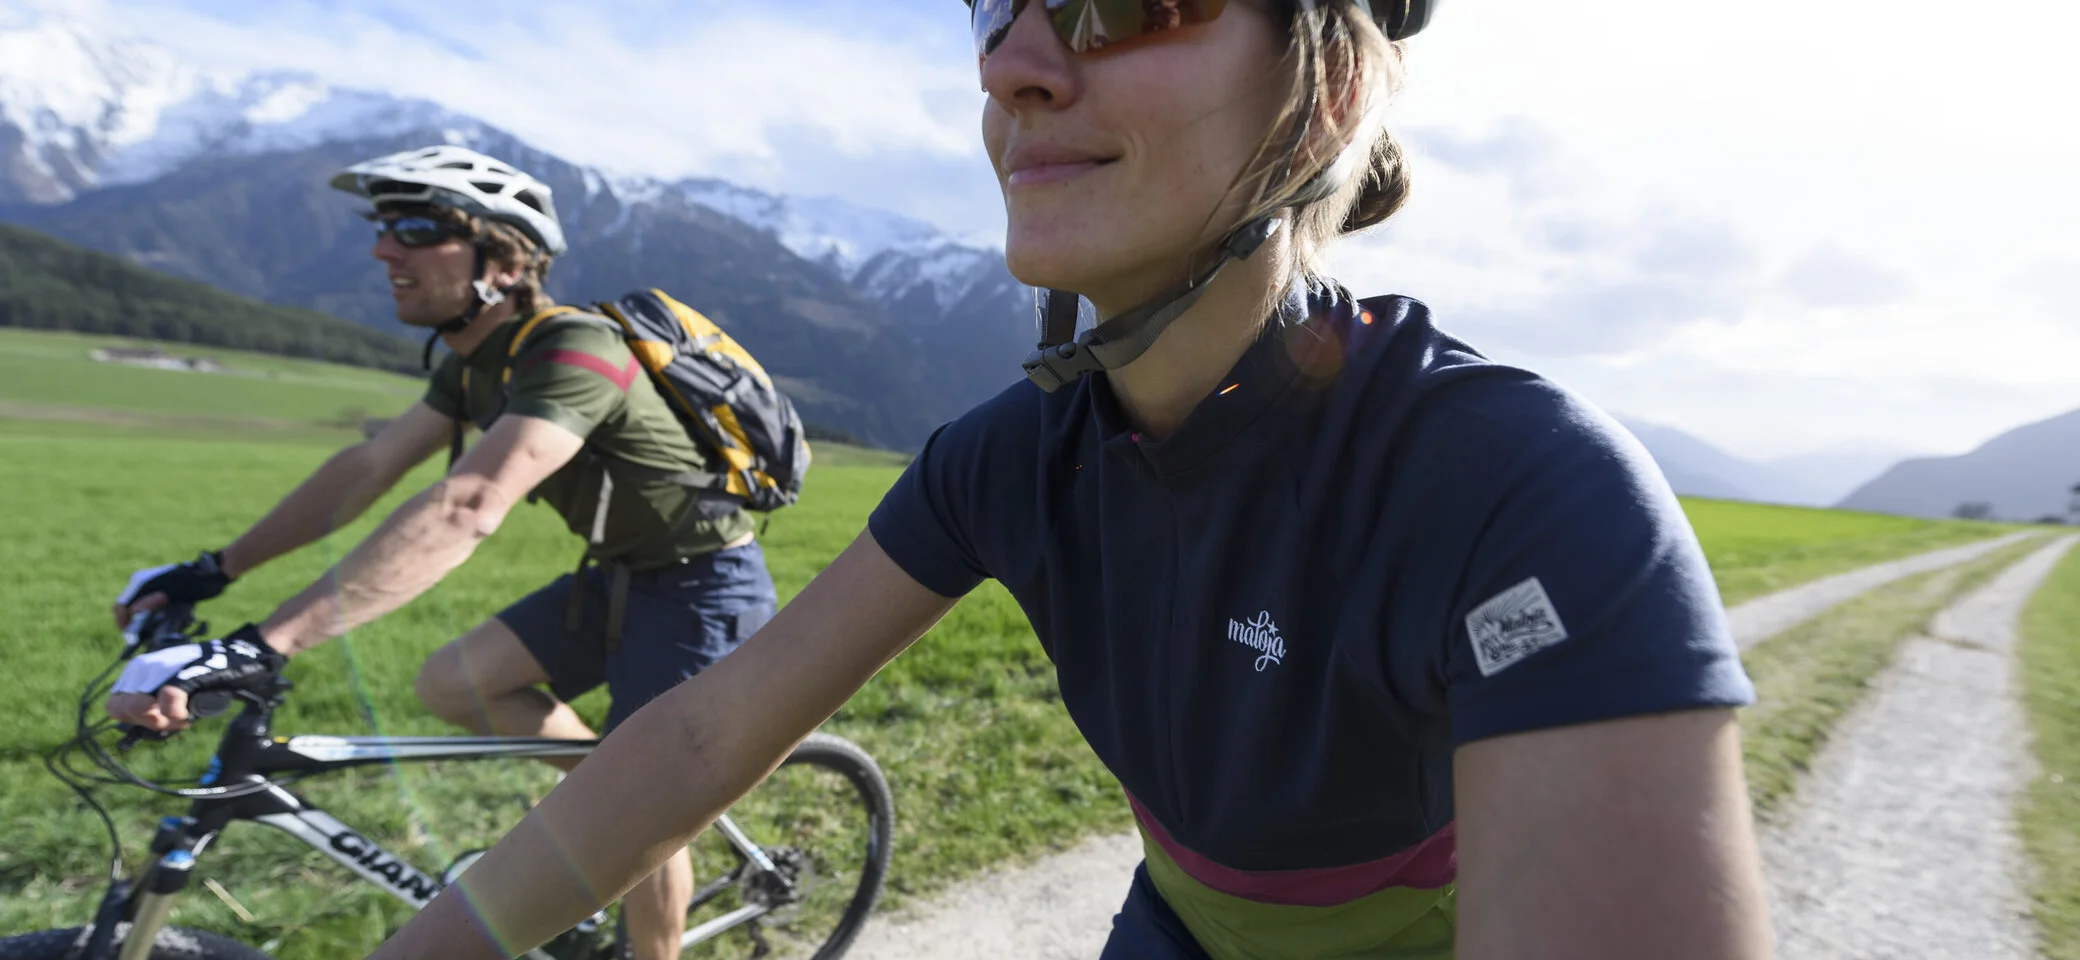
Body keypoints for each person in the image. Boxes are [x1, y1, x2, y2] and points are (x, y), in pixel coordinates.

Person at [372, 1, 1773, 957]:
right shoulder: (1014, 455)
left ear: (1330, 84)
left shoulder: (1518, 489)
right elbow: (694, 742)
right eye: (999, 6)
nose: (1015, 64)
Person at [103, 144, 779, 960]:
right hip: (615, 577)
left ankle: (633, 861)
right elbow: (365, 471)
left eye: (417, 228)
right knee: (455, 681)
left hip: (703, 587)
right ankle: (604, 795)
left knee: (641, 812)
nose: (386, 248)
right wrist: (216, 568)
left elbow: (468, 503)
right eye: (384, 227)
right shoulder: (479, 365)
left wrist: (266, 642)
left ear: (505, 256)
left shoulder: (576, 350)